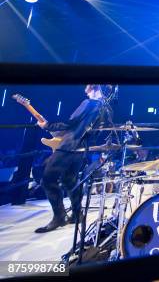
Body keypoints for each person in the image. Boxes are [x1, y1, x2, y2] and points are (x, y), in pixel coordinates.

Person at [35, 84, 105, 233]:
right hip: (81, 150)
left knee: (47, 180)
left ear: (93, 87)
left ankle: (59, 217)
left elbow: (70, 123)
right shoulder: (104, 108)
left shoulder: (88, 103)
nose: (85, 87)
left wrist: (48, 125)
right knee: (69, 180)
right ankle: (77, 214)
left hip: (68, 146)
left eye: (88, 85)